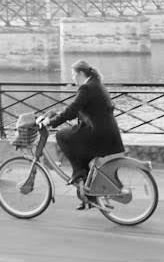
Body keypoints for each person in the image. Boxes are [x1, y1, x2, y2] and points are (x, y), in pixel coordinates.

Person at [45, 59, 124, 209]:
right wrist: (58, 115)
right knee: (78, 146)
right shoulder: (96, 84)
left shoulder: (87, 88)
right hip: (108, 134)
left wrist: (51, 122)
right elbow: (81, 109)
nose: (72, 78)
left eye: (74, 75)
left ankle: (78, 173)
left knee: (61, 135)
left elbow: (72, 109)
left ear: (81, 73)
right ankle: (88, 194)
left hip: (98, 135)